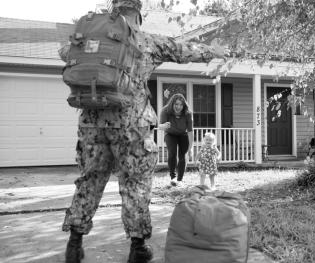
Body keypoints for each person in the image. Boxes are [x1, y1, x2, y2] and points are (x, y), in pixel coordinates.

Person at [59, 1, 228, 262]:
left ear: (115, 9)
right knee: (135, 184)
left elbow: (65, 53)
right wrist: (212, 51)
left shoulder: (92, 36)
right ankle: (137, 248)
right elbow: (183, 50)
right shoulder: (144, 41)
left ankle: (74, 243)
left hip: (92, 123)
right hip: (131, 127)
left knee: (90, 180)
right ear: (138, 13)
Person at [159, 94, 193, 186]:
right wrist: (164, 126)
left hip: (183, 134)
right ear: (172, 104)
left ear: (184, 105)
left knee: (183, 155)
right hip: (170, 134)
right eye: (176, 104)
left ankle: (180, 179)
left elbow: (190, 131)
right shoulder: (165, 110)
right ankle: (173, 177)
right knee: (172, 152)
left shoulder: (187, 113)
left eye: (181, 105)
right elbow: (160, 126)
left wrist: (190, 148)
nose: (178, 107)